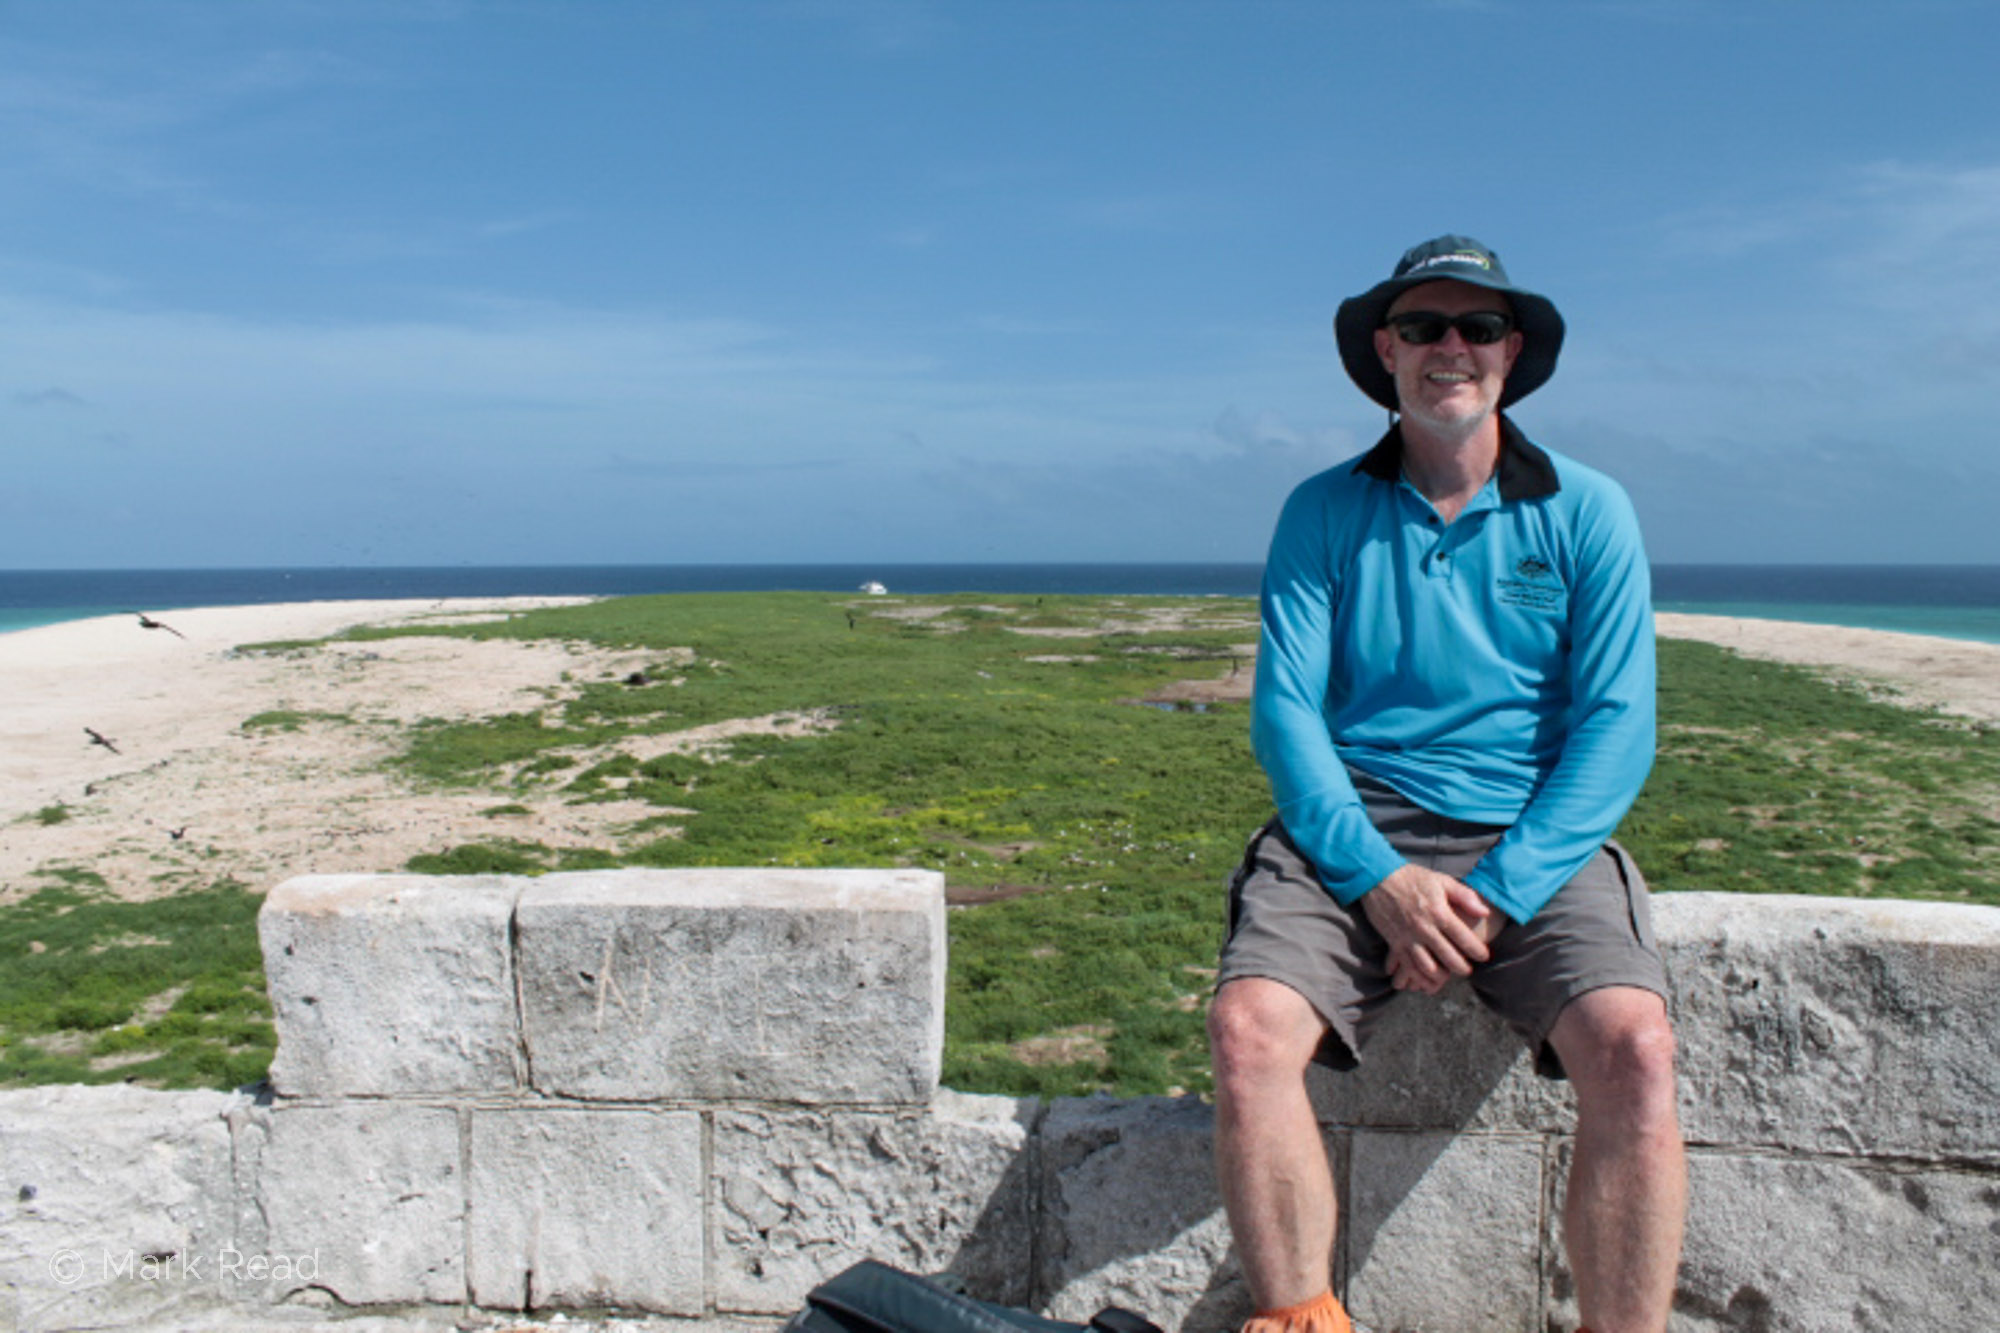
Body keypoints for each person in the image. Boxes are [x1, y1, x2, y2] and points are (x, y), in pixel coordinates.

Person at [1207, 236, 1685, 1333]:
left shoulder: (1586, 509)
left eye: (1475, 327)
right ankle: (1300, 1317)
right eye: (1422, 327)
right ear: (1385, 351)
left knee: (1635, 1046)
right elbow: (1285, 711)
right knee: (1247, 1030)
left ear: (1510, 351)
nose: (1449, 348)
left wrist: (1500, 889)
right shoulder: (1321, 510)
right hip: (1354, 823)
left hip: (1529, 827)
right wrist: (1377, 878)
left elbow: (1617, 726)